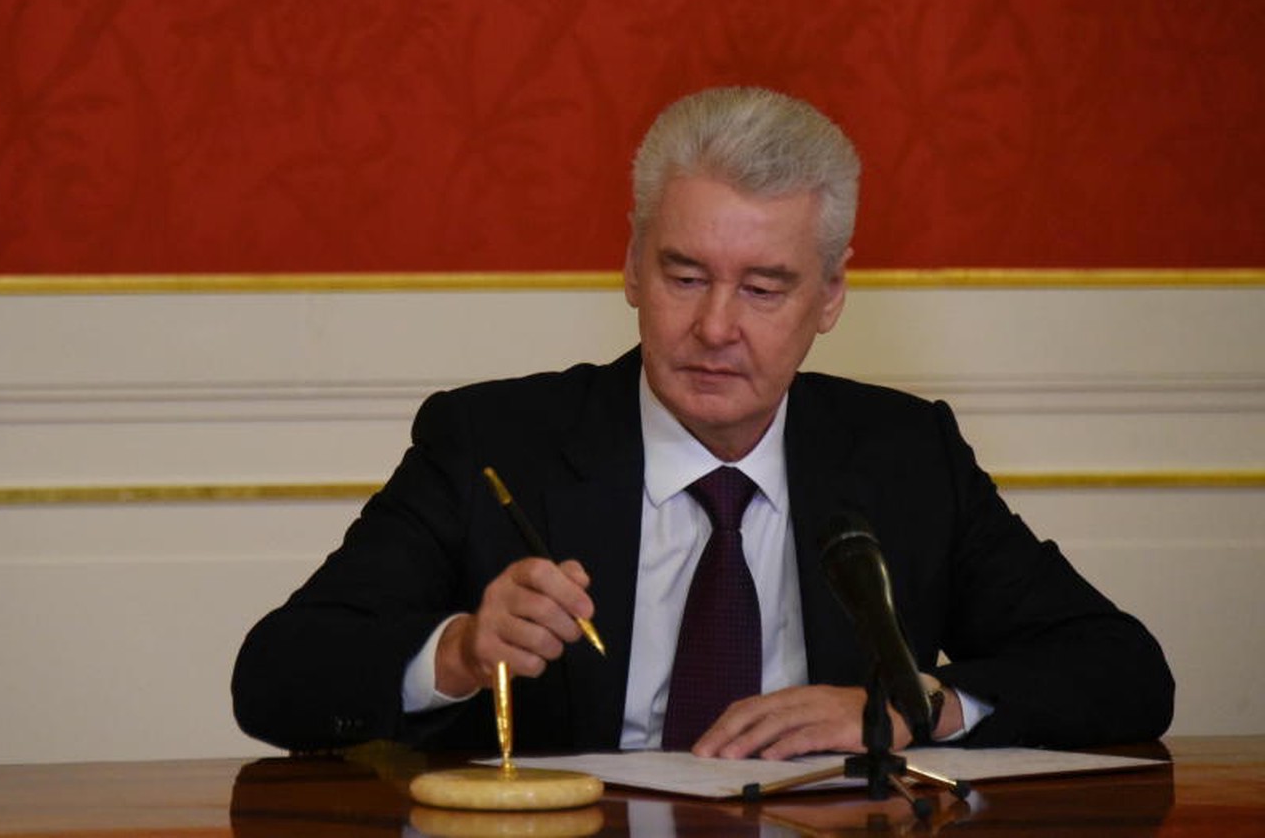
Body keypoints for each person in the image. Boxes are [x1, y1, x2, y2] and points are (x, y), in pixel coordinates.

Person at [232, 87, 1173, 757]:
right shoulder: (493, 444)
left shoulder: (905, 455)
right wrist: (460, 651)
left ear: (830, 296)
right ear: (632, 267)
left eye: (764, 288)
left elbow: (1123, 670)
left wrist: (907, 708)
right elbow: (276, 677)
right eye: (685, 276)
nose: (716, 327)